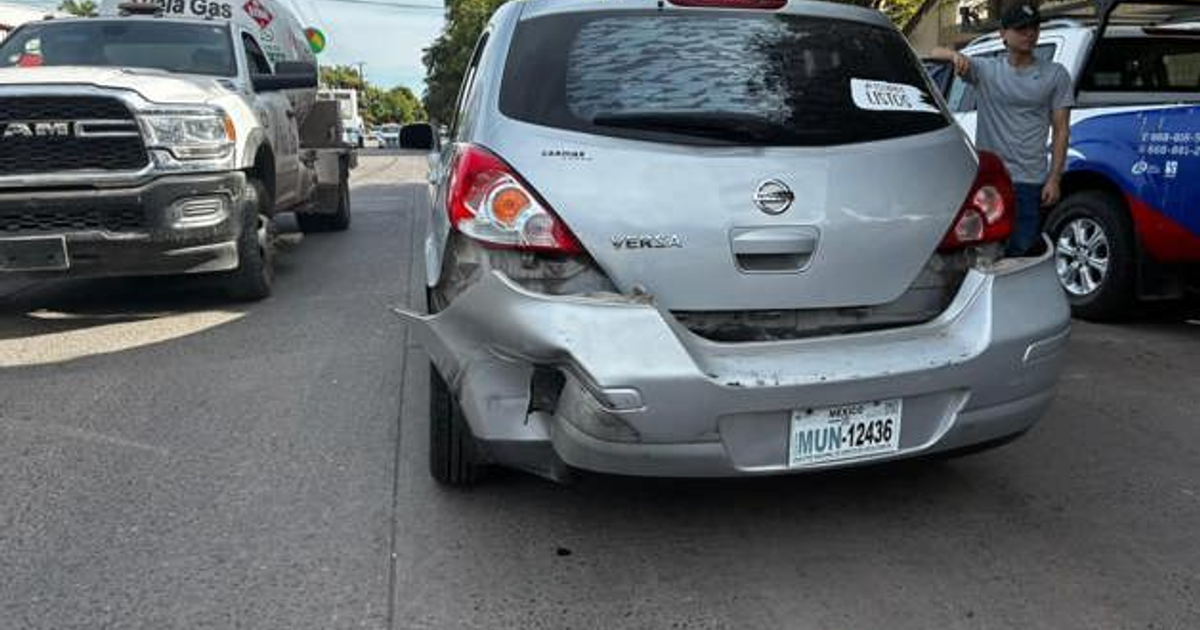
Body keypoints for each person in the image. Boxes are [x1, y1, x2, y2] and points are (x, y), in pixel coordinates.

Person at [930, 2, 1073, 256]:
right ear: (1003, 34)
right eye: (1021, 29)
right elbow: (934, 51)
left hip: (1030, 181)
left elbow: (1061, 130)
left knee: (1022, 252)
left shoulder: (1055, 74)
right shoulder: (987, 69)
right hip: (990, 180)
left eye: (1034, 28)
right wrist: (955, 56)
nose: (1030, 34)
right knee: (982, 253)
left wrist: (1054, 178)